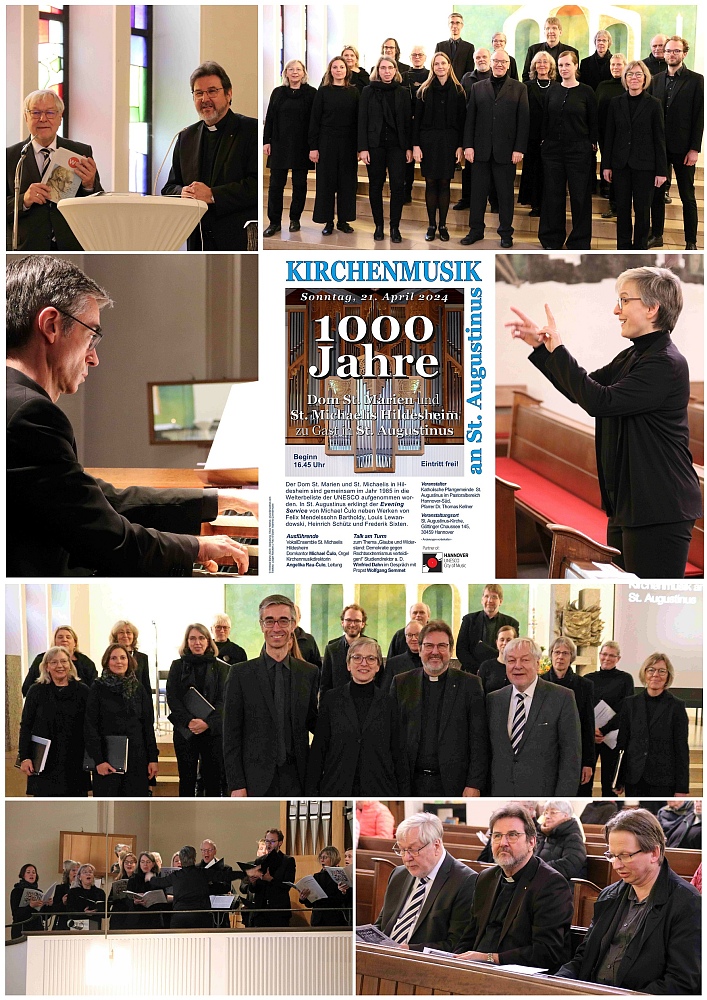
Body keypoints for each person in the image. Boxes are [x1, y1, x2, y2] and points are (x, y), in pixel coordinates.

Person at [7, 256, 253, 577]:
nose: (93, 358)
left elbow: (105, 501)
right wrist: (199, 547)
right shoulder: (30, 414)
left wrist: (225, 498)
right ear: (51, 325)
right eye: (91, 335)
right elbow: (110, 541)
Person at [507, 265, 703, 577]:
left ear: (653, 308)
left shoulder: (664, 363)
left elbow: (599, 402)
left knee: (646, 589)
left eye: (624, 300)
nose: (616, 310)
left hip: (659, 505)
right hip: (630, 502)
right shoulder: (635, 355)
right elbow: (581, 391)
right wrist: (543, 349)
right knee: (625, 584)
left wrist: (557, 348)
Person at [555, 809, 701, 993]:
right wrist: (556, 984)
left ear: (654, 853)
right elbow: (584, 958)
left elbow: (681, 982)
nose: (616, 865)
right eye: (612, 855)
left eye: (625, 855)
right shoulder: (609, 895)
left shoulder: (687, 903)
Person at [455, 803, 573, 970]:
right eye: (496, 836)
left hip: (521, 980)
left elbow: (547, 952)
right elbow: (469, 935)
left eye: (512, 835)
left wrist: (491, 958)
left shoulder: (551, 885)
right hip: (476, 972)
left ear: (532, 841)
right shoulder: (486, 878)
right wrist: (455, 961)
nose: (503, 842)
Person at [224, 595, 318, 796]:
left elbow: (313, 721)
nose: (276, 628)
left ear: (293, 624)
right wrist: (236, 784)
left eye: (283, 620)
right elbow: (231, 735)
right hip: (254, 780)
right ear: (261, 625)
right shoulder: (241, 674)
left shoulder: (308, 673)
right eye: (269, 621)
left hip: (298, 779)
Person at [161, 61, 257, 251]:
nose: (205, 99)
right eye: (198, 93)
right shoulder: (186, 137)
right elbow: (169, 187)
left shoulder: (250, 130)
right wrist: (182, 192)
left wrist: (213, 195)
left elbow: (255, 185)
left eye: (212, 91)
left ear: (228, 94)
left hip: (238, 238)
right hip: (198, 239)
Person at [392, 620, 488, 796]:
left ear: (450, 650)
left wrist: (474, 783)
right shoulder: (401, 683)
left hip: (455, 785)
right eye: (429, 646)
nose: (435, 652)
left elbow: (479, 740)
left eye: (442, 646)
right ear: (419, 649)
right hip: (409, 784)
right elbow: (392, 736)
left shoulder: (470, 684)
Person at [307, 638, 407, 796]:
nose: (364, 663)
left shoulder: (390, 703)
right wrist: (312, 792)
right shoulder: (331, 700)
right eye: (357, 657)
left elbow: (398, 754)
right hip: (337, 788)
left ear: (378, 666)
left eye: (371, 658)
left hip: (379, 789)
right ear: (348, 664)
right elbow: (319, 750)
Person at [6, 89, 101, 251]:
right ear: (26, 117)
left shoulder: (80, 151)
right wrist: (24, 200)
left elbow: (96, 205)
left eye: (50, 112)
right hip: (26, 247)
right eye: (35, 112)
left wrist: (89, 185)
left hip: (71, 245)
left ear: (60, 117)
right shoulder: (10, 157)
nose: (43, 119)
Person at [487, 637, 581, 796]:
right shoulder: (493, 700)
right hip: (500, 793)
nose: (517, 666)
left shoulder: (562, 697)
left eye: (525, 660)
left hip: (543, 794)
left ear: (538, 664)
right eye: (511, 660)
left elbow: (571, 757)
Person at [375, 812, 477, 951]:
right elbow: (382, 926)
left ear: (436, 845)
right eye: (402, 850)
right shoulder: (399, 874)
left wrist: (409, 950)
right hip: (383, 957)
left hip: (424, 965)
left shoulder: (466, 881)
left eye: (413, 850)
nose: (406, 858)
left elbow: (457, 944)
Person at [460, 49, 529, 249]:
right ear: (491, 63)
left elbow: (523, 122)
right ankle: (476, 230)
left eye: (503, 61)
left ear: (508, 64)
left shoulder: (519, 88)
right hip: (480, 150)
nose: (499, 64)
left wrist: (519, 148)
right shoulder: (478, 87)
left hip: (506, 152)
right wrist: (468, 145)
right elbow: (470, 119)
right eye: (496, 61)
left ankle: (506, 233)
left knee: (505, 195)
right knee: (477, 194)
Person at [602, 60, 667, 250]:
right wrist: (606, 165)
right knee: (622, 210)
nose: (634, 78)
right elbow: (610, 137)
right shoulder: (616, 103)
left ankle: (639, 248)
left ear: (645, 78)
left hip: (646, 167)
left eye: (638, 74)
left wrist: (661, 171)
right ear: (625, 78)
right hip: (621, 165)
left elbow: (659, 139)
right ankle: (622, 248)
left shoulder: (654, 104)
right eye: (630, 74)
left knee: (642, 211)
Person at [538, 50, 598, 250]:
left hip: (579, 151)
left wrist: (592, 143)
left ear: (575, 67)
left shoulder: (587, 91)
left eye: (567, 65)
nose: (564, 68)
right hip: (553, 151)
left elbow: (593, 122)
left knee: (580, 197)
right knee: (552, 196)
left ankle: (579, 241)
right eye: (561, 65)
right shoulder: (552, 90)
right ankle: (551, 239)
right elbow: (545, 119)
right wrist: (545, 142)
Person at [648, 37, 703, 250]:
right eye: (668, 51)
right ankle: (657, 235)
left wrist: (694, 148)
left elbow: (699, 117)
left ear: (684, 53)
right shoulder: (656, 79)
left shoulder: (696, 80)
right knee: (656, 194)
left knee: (687, 196)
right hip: (659, 148)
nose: (671, 54)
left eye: (676, 51)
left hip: (683, 149)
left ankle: (691, 242)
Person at [84, 643, 159, 797]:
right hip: (107, 759)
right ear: (107, 662)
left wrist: (152, 758)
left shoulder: (138, 688)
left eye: (123, 657)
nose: (119, 662)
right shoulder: (97, 688)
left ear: (129, 661)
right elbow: (90, 726)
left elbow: (147, 726)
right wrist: (99, 760)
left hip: (137, 758)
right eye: (114, 658)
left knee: (135, 810)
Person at [614, 652, 690, 796]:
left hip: (663, 780)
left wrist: (682, 788)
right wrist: (618, 779)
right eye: (651, 670)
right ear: (645, 673)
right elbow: (622, 744)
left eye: (662, 671)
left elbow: (681, 750)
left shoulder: (676, 706)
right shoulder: (630, 704)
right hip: (634, 777)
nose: (656, 674)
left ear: (668, 676)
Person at [19, 645, 90, 797]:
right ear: (46, 666)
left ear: (70, 665)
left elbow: (91, 727)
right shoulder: (36, 691)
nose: (60, 666)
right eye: (54, 662)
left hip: (74, 761)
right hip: (44, 761)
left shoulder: (83, 691)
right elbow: (26, 726)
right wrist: (25, 757)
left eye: (64, 662)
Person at [166, 623, 225, 797]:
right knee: (186, 779)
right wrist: (189, 721)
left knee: (213, 780)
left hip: (212, 731)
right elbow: (172, 697)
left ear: (208, 641)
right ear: (187, 642)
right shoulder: (177, 666)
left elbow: (224, 700)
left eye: (201, 638)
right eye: (192, 638)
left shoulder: (221, 668)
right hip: (186, 731)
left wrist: (207, 723)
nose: (197, 642)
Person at [412, 52, 466, 242]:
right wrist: (416, 145)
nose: (440, 67)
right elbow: (416, 121)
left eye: (444, 63)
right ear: (433, 67)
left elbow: (462, 122)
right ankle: (431, 225)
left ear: (449, 66)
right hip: (428, 142)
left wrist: (460, 146)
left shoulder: (459, 91)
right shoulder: (424, 91)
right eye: (437, 64)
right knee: (430, 183)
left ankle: (443, 225)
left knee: (445, 183)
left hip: (450, 142)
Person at [358, 56, 412, 244]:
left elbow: (407, 122)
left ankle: (395, 227)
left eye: (390, 67)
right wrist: (363, 148)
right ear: (378, 70)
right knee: (375, 186)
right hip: (375, 146)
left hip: (397, 147)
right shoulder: (367, 91)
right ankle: (379, 226)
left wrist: (408, 148)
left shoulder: (403, 92)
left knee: (398, 186)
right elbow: (362, 121)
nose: (387, 71)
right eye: (383, 68)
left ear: (395, 70)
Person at [263, 60, 317, 238]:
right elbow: (270, 118)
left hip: (302, 145)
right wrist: (266, 141)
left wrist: (313, 146)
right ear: (285, 73)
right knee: (276, 185)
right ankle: (274, 222)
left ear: (304, 73)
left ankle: (295, 219)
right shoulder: (278, 92)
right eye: (291, 69)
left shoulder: (311, 93)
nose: (295, 72)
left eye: (298, 69)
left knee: (299, 185)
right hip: (279, 144)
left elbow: (314, 122)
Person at [308, 57, 359, 237]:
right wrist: (313, 147)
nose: (338, 70)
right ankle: (328, 221)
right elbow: (314, 120)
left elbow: (358, 121)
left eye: (342, 67)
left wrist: (359, 147)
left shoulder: (354, 92)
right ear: (330, 71)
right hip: (326, 141)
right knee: (326, 183)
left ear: (347, 70)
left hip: (348, 142)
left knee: (347, 183)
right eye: (335, 67)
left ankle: (343, 221)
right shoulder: (322, 92)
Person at [545, 636, 595, 795]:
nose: (560, 657)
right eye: (557, 652)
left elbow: (588, 725)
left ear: (571, 658)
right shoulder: (539, 682)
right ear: (551, 655)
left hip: (574, 751)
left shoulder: (584, 686)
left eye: (565, 653)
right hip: (546, 752)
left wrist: (588, 763)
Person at [590, 641, 635, 796]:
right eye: (604, 654)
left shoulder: (625, 679)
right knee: (585, 781)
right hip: (591, 736)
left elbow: (626, 709)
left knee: (609, 785)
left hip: (612, 737)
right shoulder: (588, 679)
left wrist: (603, 730)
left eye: (611, 655)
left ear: (618, 658)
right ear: (599, 655)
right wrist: (592, 732)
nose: (607, 658)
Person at [518, 51, 558, 218]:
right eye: (539, 62)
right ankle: (535, 204)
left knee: (549, 173)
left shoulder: (558, 86)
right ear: (534, 66)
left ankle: (548, 205)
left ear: (551, 66)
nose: (542, 65)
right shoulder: (526, 86)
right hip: (531, 137)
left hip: (551, 137)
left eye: (545, 62)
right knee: (533, 171)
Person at [144, 845, 218, 929]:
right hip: (173, 914)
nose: (179, 862)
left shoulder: (194, 875)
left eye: (180, 860)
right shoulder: (172, 876)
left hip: (193, 914)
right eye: (176, 861)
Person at [456, 584, 519, 674]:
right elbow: (461, 649)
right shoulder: (469, 620)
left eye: (494, 597)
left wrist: (495, 669)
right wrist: (478, 670)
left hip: (500, 673)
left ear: (500, 601)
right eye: (486, 596)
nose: (490, 600)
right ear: (482, 600)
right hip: (472, 673)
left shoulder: (511, 623)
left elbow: (513, 651)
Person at [22, 625, 97, 696]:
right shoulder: (41, 660)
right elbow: (26, 688)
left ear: (75, 643)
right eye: (60, 637)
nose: (64, 640)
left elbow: (94, 690)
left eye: (68, 637)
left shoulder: (86, 663)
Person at [596, 53, 628, 210]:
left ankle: (616, 201)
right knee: (606, 158)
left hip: (623, 133)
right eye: (613, 65)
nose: (615, 67)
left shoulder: (629, 85)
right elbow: (595, 110)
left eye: (619, 64)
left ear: (625, 66)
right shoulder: (602, 86)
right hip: (603, 130)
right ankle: (605, 186)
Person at [247, 828, 295, 927]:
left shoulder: (288, 861)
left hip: (278, 912)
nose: (268, 844)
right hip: (261, 912)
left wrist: (271, 880)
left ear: (280, 843)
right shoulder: (259, 861)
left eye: (272, 841)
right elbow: (253, 889)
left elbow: (287, 885)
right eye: (267, 841)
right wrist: (253, 882)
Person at [320, 604, 371, 697]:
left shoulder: (372, 646)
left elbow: (379, 680)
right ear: (342, 622)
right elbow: (325, 684)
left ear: (363, 624)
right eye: (348, 620)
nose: (352, 624)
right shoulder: (331, 648)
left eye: (357, 621)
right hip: (337, 704)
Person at [299, 846, 350, 926]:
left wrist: (343, 892)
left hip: (335, 919)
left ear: (333, 858)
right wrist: (303, 898)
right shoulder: (317, 877)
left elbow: (345, 900)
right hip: (317, 919)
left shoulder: (342, 874)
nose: (322, 860)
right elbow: (310, 904)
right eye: (321, 857)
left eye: (325, 857)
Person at [535, 800, 587, 879]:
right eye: (546, 813)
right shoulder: (544, 835)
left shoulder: (573, 837)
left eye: (553, 812)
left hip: (562, 885)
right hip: (542, 881)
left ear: (565, 815)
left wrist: (539, 869)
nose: (547, 816)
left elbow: (570, 865)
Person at [402, 47, 429, 202]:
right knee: (407, 160)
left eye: (420, 55)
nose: (417, 57)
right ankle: (406, 192)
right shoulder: (403, 76)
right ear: (410, 57)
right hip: (406, 123)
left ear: (425, 57)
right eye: (414, 55)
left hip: (424, 123)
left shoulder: (430, 75)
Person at [522, 17, 579, 82]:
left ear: (560, 32)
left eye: (554, 28)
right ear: (544, 32)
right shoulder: (533, 50)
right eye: (547, 28)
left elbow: (576, 76)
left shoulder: (572, 52)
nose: (550, 31)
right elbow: (526, 75)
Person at [109, 621, 151, 696]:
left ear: (133, 636)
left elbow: (146, 685)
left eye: (128, 632)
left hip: (137, 700)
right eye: (121, 632)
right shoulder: (110, 655)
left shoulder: (142, 658)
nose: (125, 635)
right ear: (116, 637)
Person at [10, 863, 51, 938]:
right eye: (28, 872)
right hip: (21, 929)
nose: (31, 874)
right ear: (23, 875)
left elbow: (46, 916)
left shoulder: (39, 892)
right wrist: (30, 906)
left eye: (34, 872)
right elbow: (16, 915)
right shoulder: (17, 891)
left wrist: (48, 905)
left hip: (37, 930)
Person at [477, 624, 517, 695]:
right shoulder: (486, 666)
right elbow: (479, 693)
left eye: (508, 640)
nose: (504, 643)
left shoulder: (519, 666)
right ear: (497, 642)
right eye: (502, 640)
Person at [382, 620, 423, 688]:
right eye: (409, 635)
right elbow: (385, 692)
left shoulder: (431, 661)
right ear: (405, 638)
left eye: (417, 635)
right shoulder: (393, 664)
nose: (413, 638)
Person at [435, 13, 475, 80]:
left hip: (461, 85)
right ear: (448, 25)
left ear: (462, 25)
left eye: (457, 23)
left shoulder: (469, 47)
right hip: (443, 84)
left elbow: (469, 70)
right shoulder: (440, 46)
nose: (454, 26)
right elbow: (435, 66)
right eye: (452, 23)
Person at [66, 864, 106, 929]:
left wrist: (96, 911)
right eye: (85, 872)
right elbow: (69, 911)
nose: (88, 874)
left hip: (95, 925)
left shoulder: (100, 892)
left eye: (90, 872)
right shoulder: (73, 892)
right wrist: (83, 913)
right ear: (79, 877)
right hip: (77, 926)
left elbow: (106, 914)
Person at [108, 851, 138, 929]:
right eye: (126, 862)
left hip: (133, 915)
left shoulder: (139, 880)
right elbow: (110, 898)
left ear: (135, 864)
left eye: (131, 862)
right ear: (123, 864)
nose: (129, 864)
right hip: (118, 915)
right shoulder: (118, 880)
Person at [292, 606, 322, 671]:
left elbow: (318, 666)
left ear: (299, 617)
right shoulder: (275, 639)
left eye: (294, 614)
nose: (291, 619)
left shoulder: (309, 640)